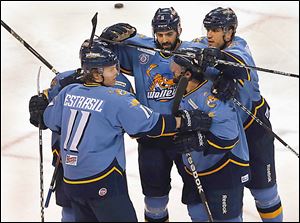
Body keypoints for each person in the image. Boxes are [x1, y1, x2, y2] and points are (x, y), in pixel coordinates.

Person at [29, 42, 212, 222]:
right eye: (110, 69)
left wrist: (39, 106)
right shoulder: (115, 98)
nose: (117, 73)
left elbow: (48, 121)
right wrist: (185, 121)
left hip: (72, 181)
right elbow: (151, 124)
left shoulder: (68, 91)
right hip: (103, 180)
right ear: (96, 74)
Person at [99, 7, 209, 221]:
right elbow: (101, 58)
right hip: (151, 139)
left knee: (197, 200)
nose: (164, 39)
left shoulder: (192, 51)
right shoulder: (140, 50)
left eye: (169, 34)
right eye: (159, 35)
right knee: (154, 201)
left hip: (185, 137)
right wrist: (106, 39)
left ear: (179, 30)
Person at [192, 7, 283, 222]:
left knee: (265, 193)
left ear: (230, 31)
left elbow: (239, 66)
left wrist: (220, 63)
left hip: (254, 127)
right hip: (227, 131)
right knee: (230, 202)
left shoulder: (239, 46)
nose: (210, 34)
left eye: (216, 29)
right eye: (208, 29)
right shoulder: (203, 44)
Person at [29, 40, 135, 222]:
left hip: (101, 163)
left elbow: (130, 117)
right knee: (70, 212)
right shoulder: (64, 81)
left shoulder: (120, 82)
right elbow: (45, 110)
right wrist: (37, 106)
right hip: (66, 162)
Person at [169, 48, 250, 221]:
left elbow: (228, 137)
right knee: (197, 213)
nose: (171, 69)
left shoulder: (211, 100)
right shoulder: (182, 89)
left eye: (176, 67)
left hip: (225, 168)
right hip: (196, 168)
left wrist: (198, 140)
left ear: (188, 74)